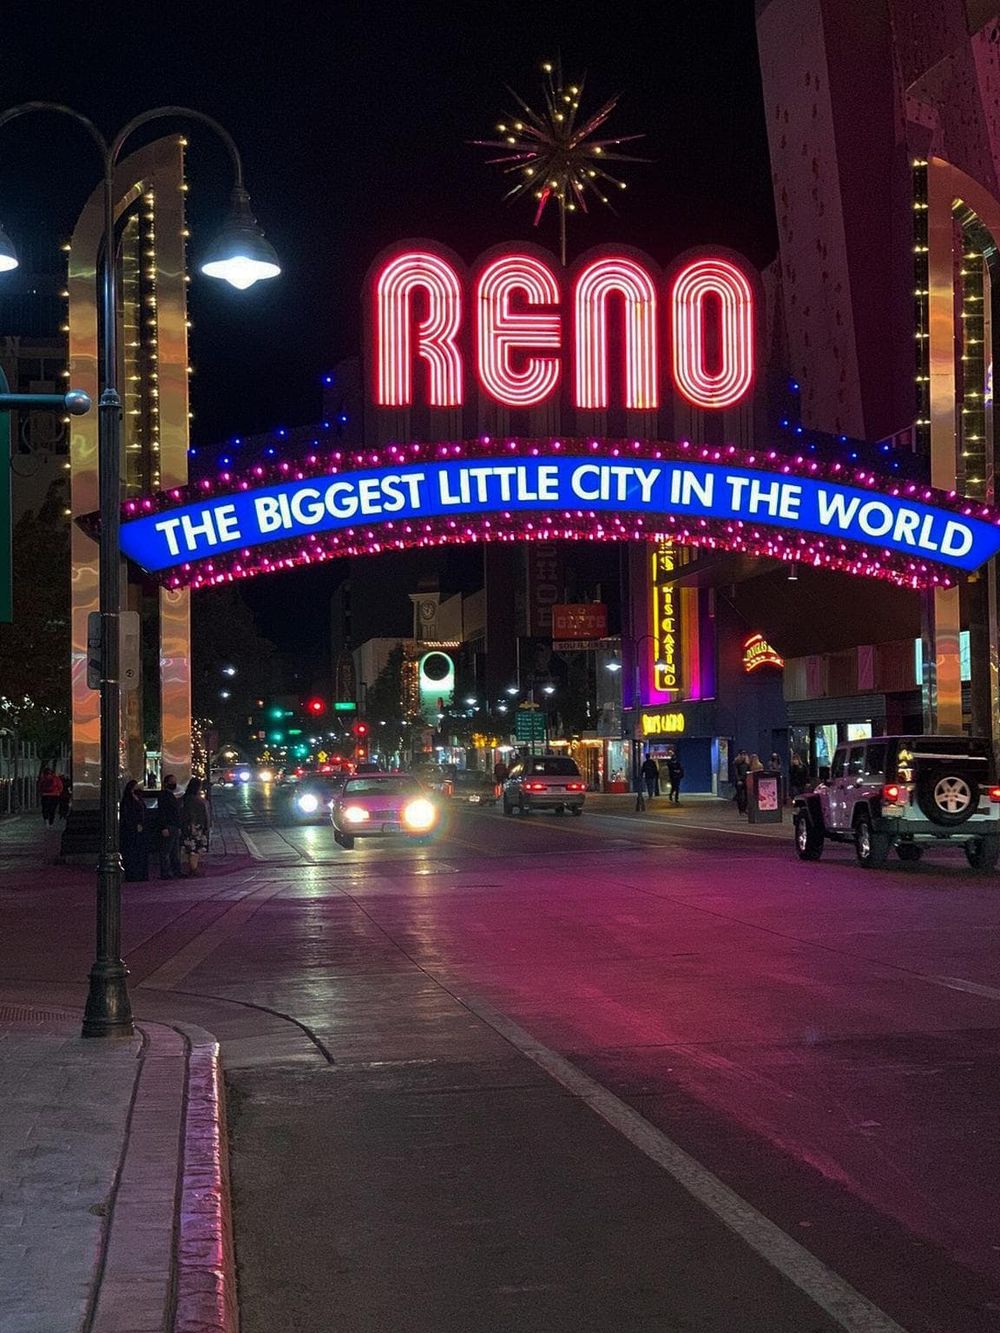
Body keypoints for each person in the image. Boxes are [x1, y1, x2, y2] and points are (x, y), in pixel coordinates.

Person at [180, 777, 210, 877]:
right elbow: (191, 813)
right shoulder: (191, 799)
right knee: (194, 849)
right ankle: (194, 868)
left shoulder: (189, 797)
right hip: (195, 827)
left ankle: (193, 868)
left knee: (195, 848)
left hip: (197, 826)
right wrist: (193, 826)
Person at [120, 780, 148, 882]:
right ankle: (132, 874)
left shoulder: (139, 799)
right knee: (132, 853)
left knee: (140, 852)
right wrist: (134, 824)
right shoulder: (127, 801)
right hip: (131, 831)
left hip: (140, 830)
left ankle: (141, 874)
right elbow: (127, 815)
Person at [157, 774, 183, 879]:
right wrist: (163, 827)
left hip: (174, 825)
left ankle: (176, 871)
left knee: (174, 850)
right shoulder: (164, 795)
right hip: (169, 825)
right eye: (172, 781)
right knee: (167, 850)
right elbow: (162, 812)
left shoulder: (170, 795)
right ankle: (166, 872)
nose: (174, 783)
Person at [733, 749, 750, 815]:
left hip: (746, 780)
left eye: (744, 754)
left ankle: (744, 808)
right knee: (740, 796)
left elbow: (748, 771)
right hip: (739, 781)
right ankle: (741, 810)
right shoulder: (736, 763)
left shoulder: (747, 763)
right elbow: (736, 772)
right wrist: (738, 780)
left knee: (747, 796)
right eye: (742, 754)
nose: (743, 756)